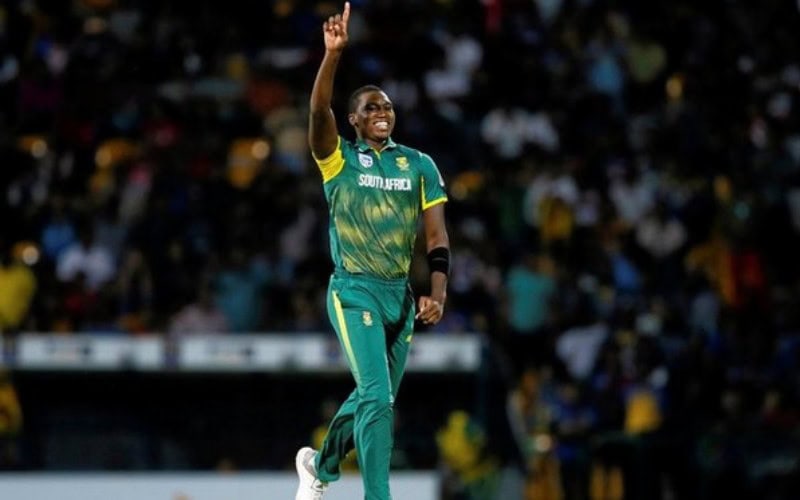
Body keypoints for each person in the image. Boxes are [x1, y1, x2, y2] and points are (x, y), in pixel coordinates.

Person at [295, 3, 451, 499]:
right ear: (353, 120)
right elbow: (317, 112)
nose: (382, 112)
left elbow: (436, 238)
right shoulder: (338, 158)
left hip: (399, 298)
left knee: (372, 398)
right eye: (371, 108)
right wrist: (332, 56)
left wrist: (437, 292)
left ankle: (318, 466)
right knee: (379, 400)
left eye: (387, 106)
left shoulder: (419, 165)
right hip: (354, 291)